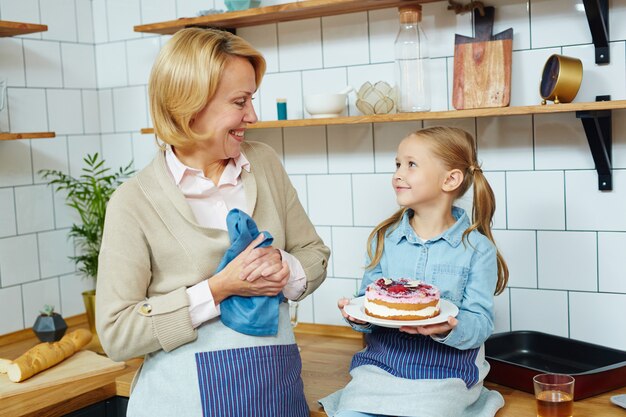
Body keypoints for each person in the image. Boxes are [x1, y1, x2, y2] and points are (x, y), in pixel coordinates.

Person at [95, 28, 330, 417]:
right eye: (240, 102)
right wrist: (218, 289)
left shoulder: (265, 164)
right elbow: (117, 334)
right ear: (189, 107)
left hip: (277, 395)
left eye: (251, 99)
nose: (252, 116)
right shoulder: (133, 202)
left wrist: (284, 268)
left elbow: (314, 253)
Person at [320, 126, 509, 417]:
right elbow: (367, 302)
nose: (398, 174)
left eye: (411, 164)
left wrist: (450, 328)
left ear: (450, 179)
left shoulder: (477, 249)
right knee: (351, 410)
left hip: (446, 374)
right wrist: (355, 316)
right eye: (397, 164)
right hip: (382, 369)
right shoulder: (384, 239)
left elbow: (481, 323)